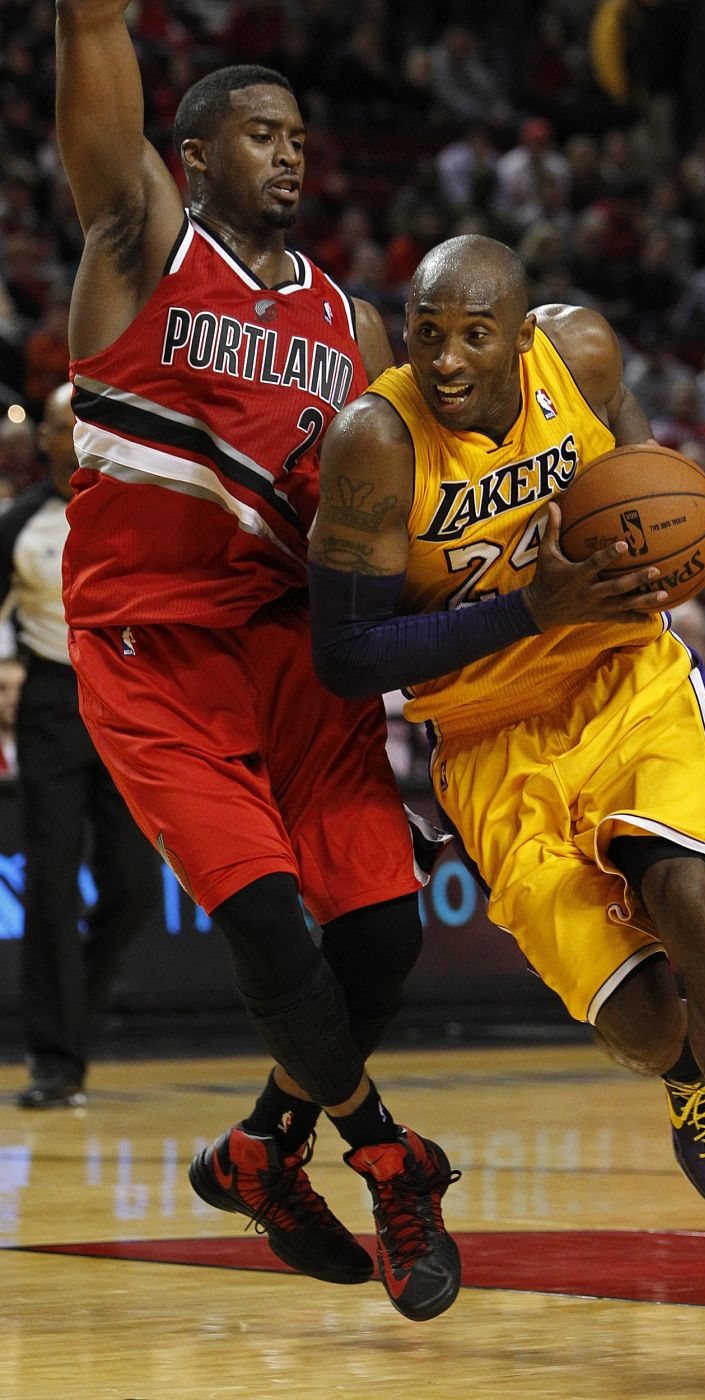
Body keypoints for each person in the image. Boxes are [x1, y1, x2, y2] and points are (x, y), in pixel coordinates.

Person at [307, 234, 705, 1359]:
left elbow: (632, 456)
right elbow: (345, 656)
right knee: (640, 1020)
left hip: (622, 674)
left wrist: (685, 510)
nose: (447, 358)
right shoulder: (377, 443)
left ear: (520, 335)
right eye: (427, 333)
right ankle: (687, 1075)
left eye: (473, 335)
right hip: (487, 735)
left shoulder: (581, 352)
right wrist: (527, 611)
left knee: (690, 898)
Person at [55, 2, 459, 1322]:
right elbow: (92, 60)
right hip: (155, 645)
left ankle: (258, 1153)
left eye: (297, 135)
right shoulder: (142, 243)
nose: (290, 153)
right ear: (195, 153)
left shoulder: (355, 327)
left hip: (297, 646)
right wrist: (89, 21)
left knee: (385, 933)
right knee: (270, 924)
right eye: (260, 133)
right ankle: (389, 1155)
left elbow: (402, 524)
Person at [0, 384, 161, 1106]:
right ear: (42, 439)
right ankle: (55, 1060)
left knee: (134, 882)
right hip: (51, 703)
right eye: (60, 426)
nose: (71, 437)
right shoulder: (19, 523)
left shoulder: (135, 507)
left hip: (126, 696)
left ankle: (73, 1014)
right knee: (52, 880)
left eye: (82, 423)